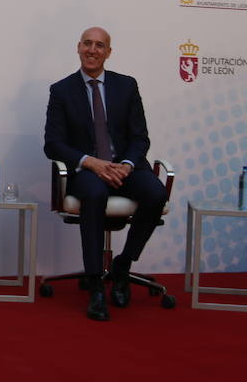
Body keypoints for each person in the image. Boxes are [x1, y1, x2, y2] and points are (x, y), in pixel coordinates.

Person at [44, 26, 167, 321]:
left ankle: (123, 264)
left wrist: (126, 164)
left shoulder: (127, 86)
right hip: (87, 171)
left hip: (124, 167)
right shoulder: (61, 90)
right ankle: (95, 281)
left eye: (99, 45)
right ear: (78, 47)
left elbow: (140, 138)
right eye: (87, 43)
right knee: (95, 194)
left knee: (156, 193)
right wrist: (91, 162)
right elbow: (53, 144)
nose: (92, 50)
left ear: (108, 52)